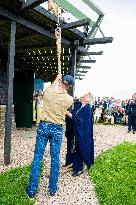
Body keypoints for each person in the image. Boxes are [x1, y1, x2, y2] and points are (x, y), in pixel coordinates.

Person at [26, 74, 74, 197]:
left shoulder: (49, 91)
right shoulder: (69, 99)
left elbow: (51, 89)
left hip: (44, 126)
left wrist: (57, 78)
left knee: (37, 157)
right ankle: (52, 189)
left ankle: (31, 190)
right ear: (70, 86)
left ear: (61, 82)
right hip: (57, 129)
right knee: (55, 159)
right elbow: (63, 108)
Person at [66, 92, 94, 176]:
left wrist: (68, 114)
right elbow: (74, 115)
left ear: (87, 99)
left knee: (79, 148)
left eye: (83, 96)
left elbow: (81, 121)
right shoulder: (78, 106)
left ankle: (79, 168)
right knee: (73, 148)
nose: (81, 97)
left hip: (83, 133)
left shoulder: (87, 109)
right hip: (75, 131)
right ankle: (73, 164)